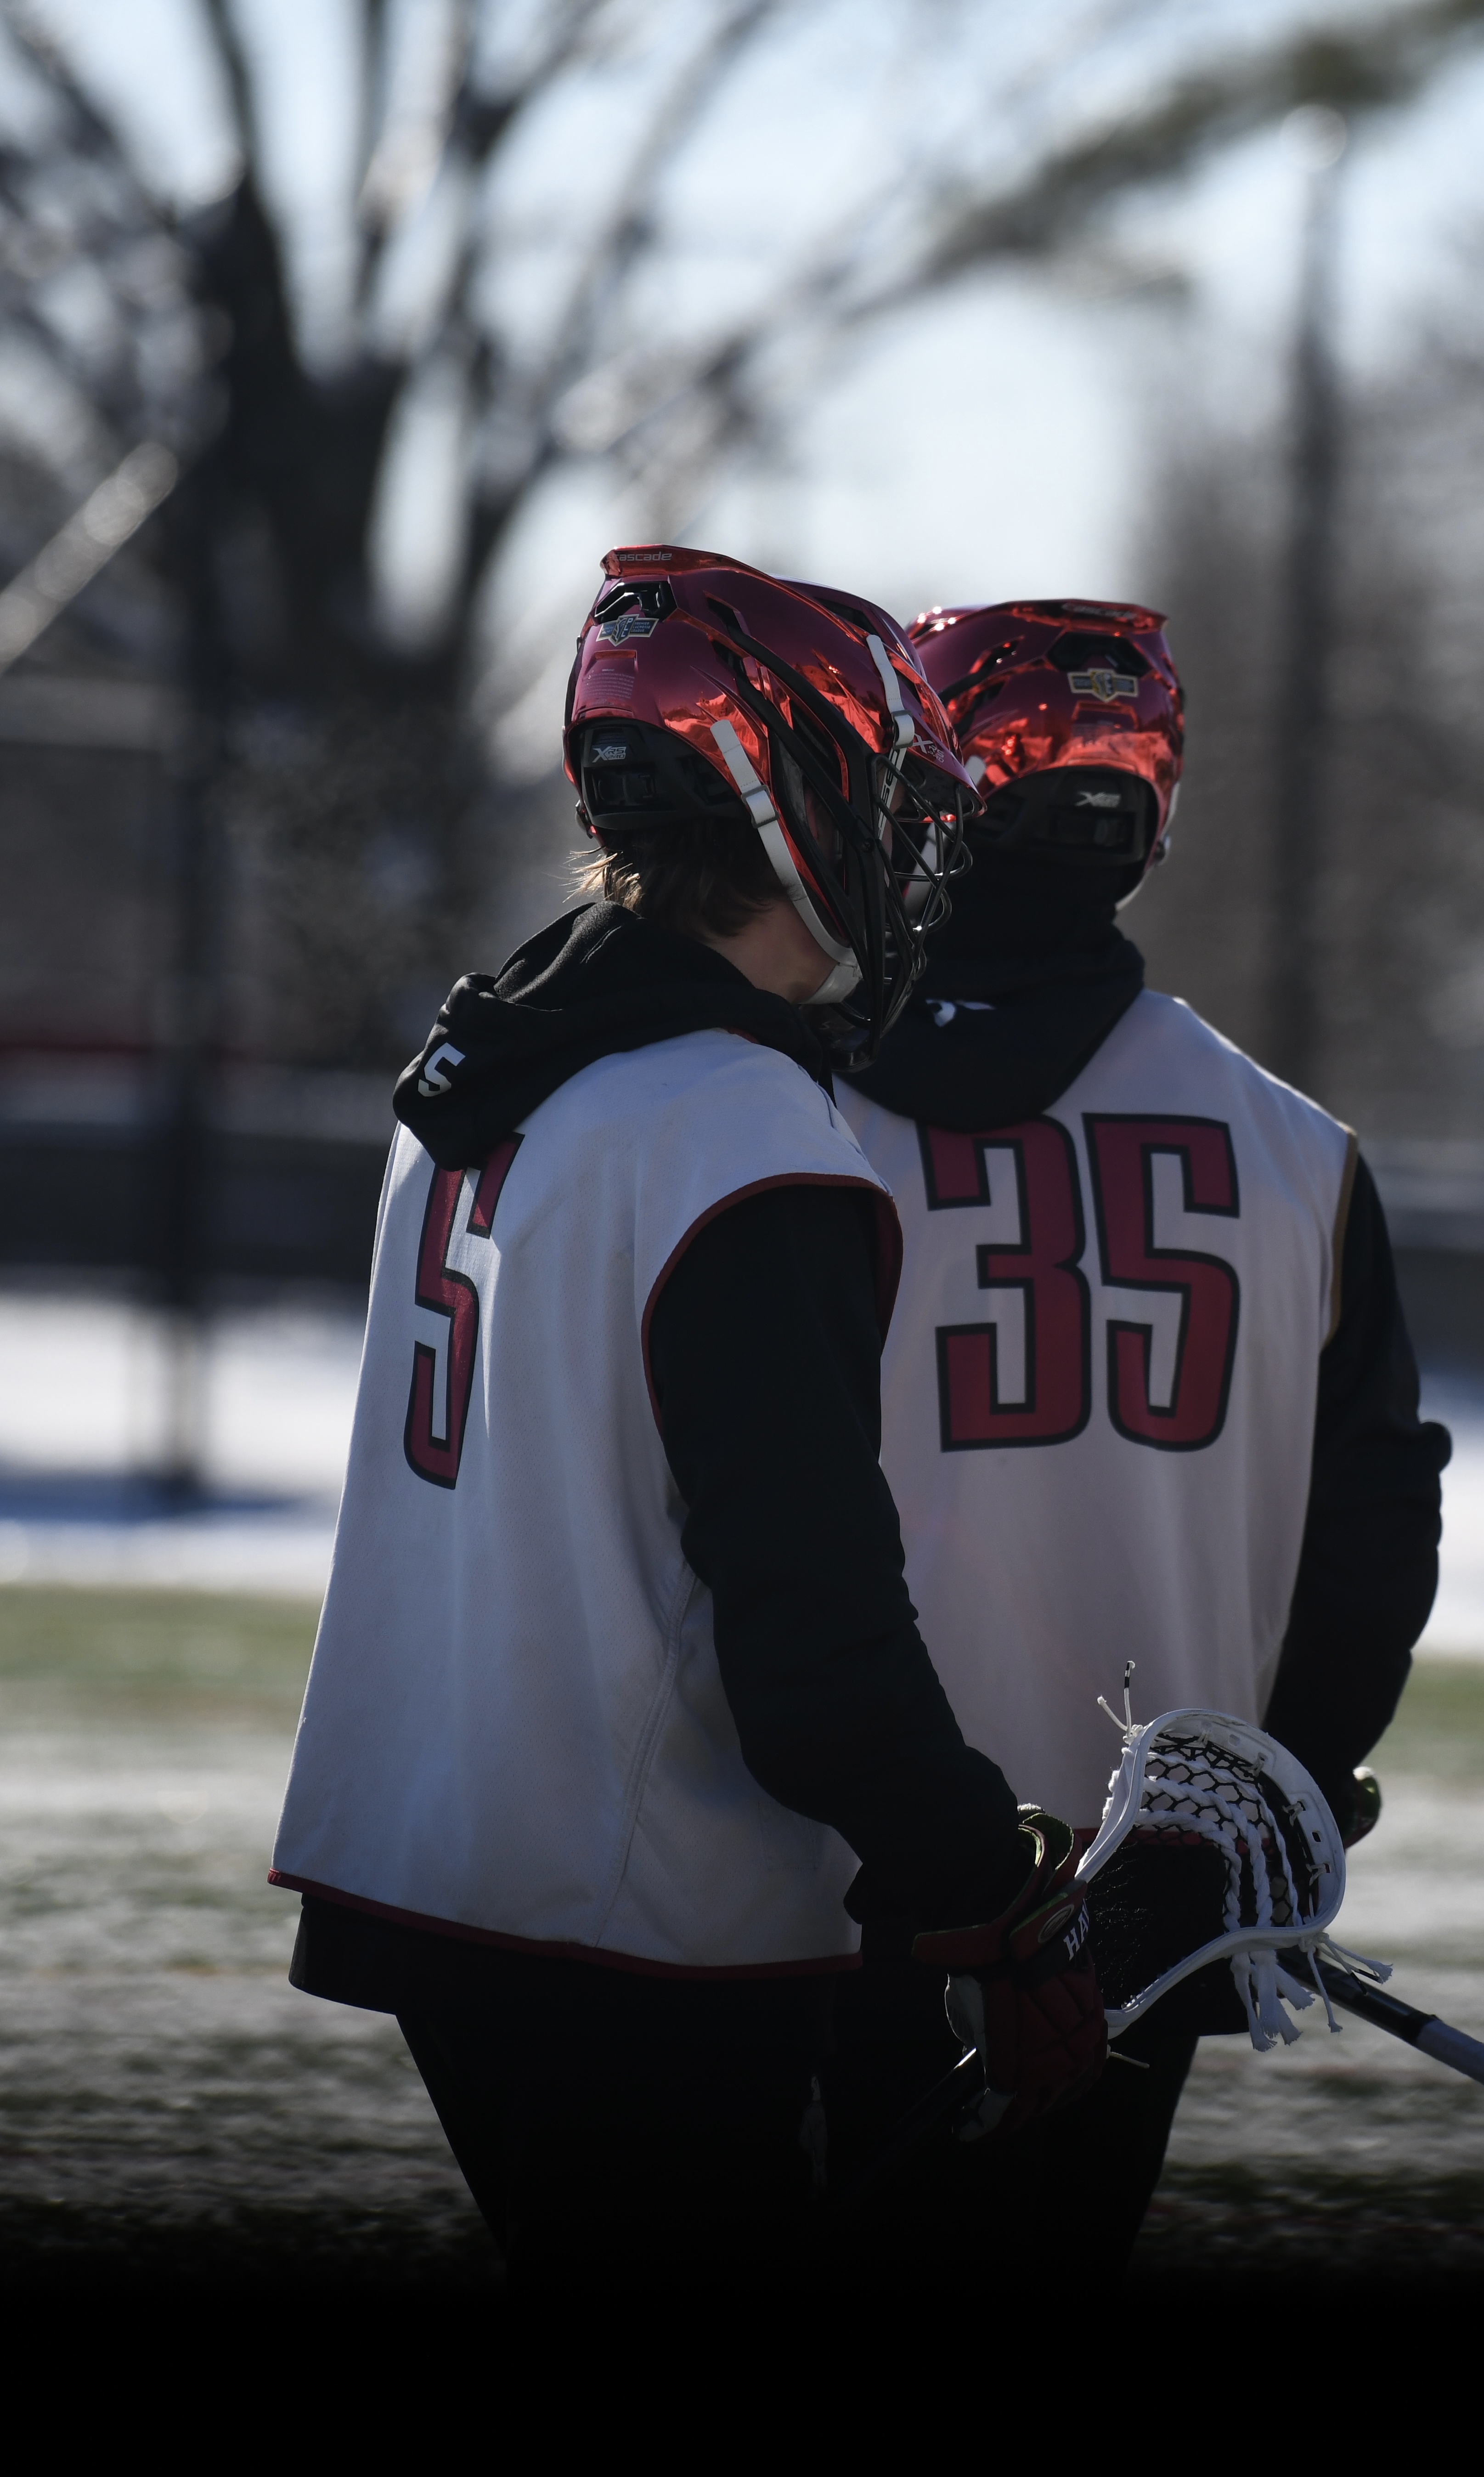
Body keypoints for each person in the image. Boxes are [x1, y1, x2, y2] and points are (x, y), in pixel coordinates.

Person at [269, 550, 1104, 2290]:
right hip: (624, 1925)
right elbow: (805, 1614)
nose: (912, 854)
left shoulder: (486, 1078)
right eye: (888, 799)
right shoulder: (738, 1127)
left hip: (448, 1880)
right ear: (789, 793)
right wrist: (983, 1880)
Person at [833, 595, 1450, 2272]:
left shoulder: (778, 1102)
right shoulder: (1296, 1146)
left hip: (809, 1865)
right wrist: (1274, 1798)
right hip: (1142, 1890)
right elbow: (1383, 1521)